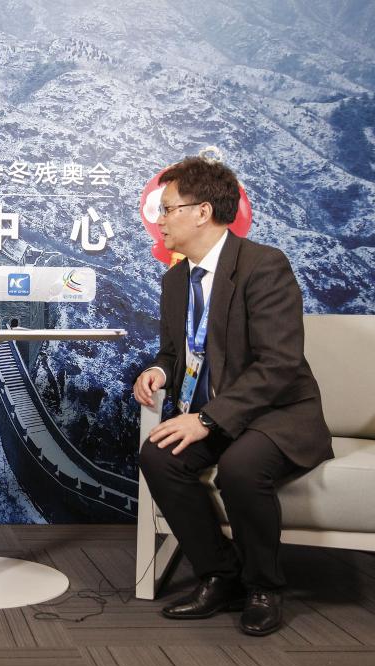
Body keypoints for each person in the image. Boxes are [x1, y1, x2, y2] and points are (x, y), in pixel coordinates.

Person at [133, 156, 332, 636]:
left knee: (241, 467)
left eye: (167, 209)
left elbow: (279, 364)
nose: (159, 220)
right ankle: (220, 575)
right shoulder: (175, 279)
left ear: (202, 212)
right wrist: (158, 371)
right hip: (216, 416)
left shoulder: (263, 266)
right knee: (158, 456)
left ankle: (264, 587)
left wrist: (206, 419)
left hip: (274, 414)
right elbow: (174, 352)